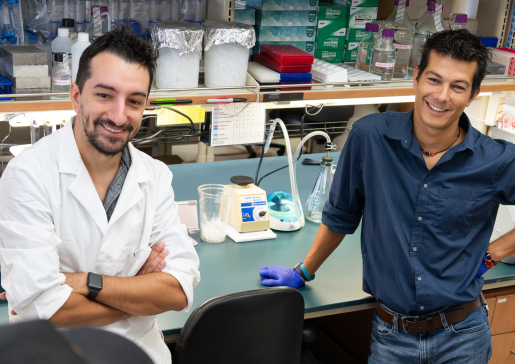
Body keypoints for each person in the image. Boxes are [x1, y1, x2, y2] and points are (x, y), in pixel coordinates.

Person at [259, 29, 514, 363]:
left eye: (458, 86)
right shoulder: (371, 138)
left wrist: (494, 252)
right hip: (392, 337)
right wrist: (304, 270)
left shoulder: (495, 159)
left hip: (463, 336)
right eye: (434, 80)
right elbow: (341, 215)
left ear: (473, 94)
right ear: (416, 77)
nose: (441, 95)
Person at [0, 26, 200, 364]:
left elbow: (177, 292)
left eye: (134, 101)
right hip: (56, 356)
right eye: (104, 95)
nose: (119, 116)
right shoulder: (28, 175)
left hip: (141, 355)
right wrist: (135, 291)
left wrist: (84, 283)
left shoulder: (153, 176)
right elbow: (44, 309)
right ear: (77, 96)